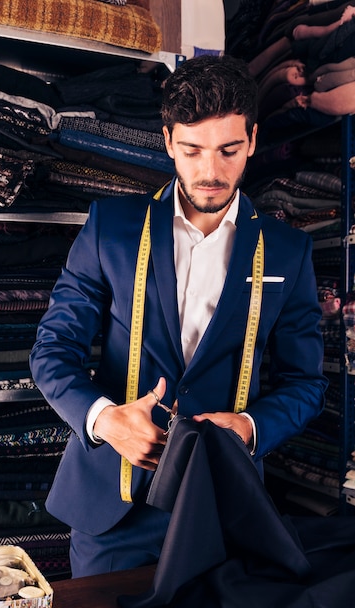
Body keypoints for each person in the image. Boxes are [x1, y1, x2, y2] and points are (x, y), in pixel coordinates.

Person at [29, 54, 328, 579]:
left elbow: (305, 382)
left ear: (253, 140)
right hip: (113, 507)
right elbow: (53, 351)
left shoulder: (288, 251)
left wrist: (251, 426)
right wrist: (105, 420)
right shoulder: (110, 228)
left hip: (222, 506)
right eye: (191, 150)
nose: (210, 172)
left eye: (228, 150)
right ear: (168, 141)